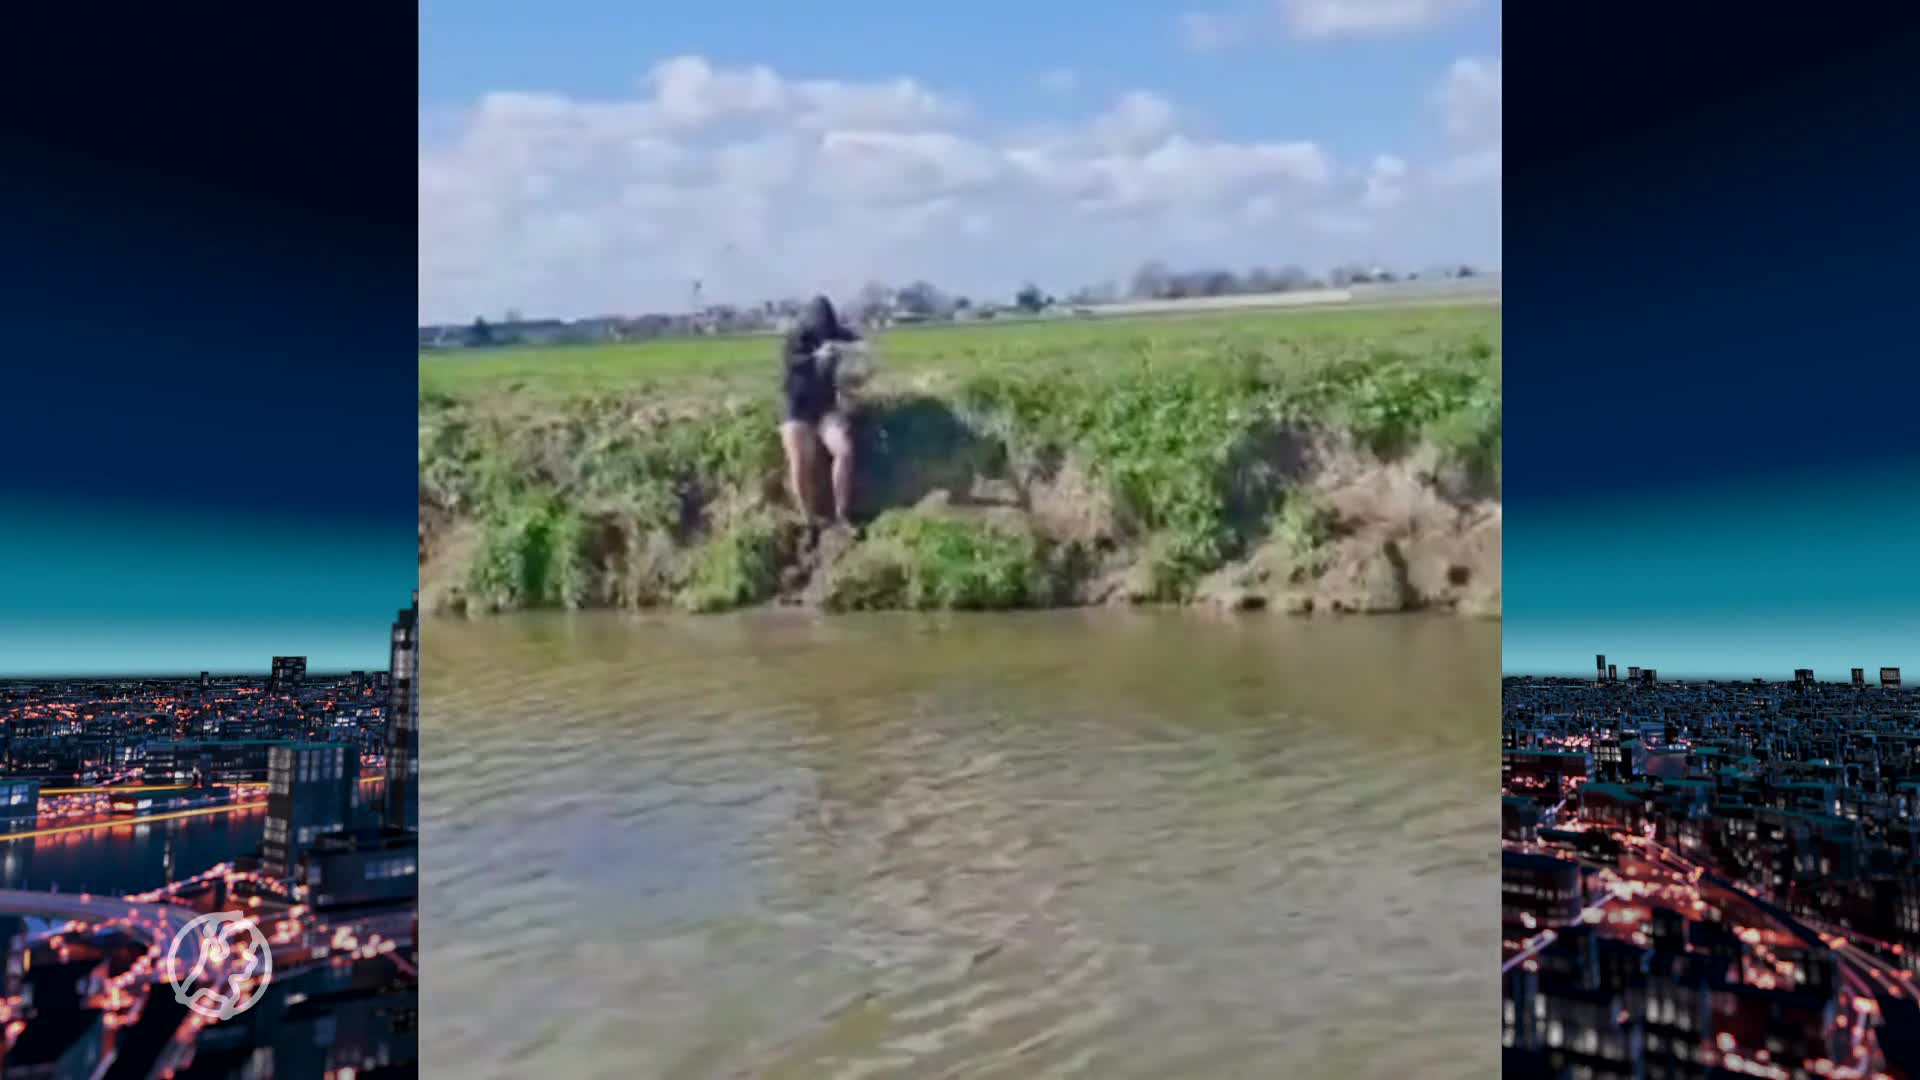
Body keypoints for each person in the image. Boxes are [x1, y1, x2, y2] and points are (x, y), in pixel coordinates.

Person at [779, 295, 863, 525]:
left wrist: (851, 348)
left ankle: (842, 513)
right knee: (799, 459)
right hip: (796, 408)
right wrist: (817, 357)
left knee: (844, 451)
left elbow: (860, 343)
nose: (824, 335)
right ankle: (808, 518)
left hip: (825, 407)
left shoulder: (832, 334)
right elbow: (795, 363)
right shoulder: (795, 339)